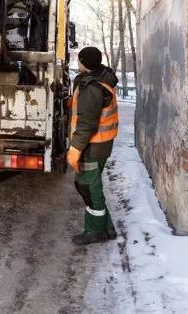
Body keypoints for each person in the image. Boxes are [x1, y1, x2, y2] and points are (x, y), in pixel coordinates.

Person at [66, 46, 119, 245]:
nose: (77, 63)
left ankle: (95, 231)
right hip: (99, 145)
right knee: (86, 184)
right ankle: (107, 228)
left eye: (79, 60)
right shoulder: (101, 77)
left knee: (88, 186)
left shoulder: (93, 88)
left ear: (84, 63)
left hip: (92, 146)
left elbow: (87, 123)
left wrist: (75, 148)